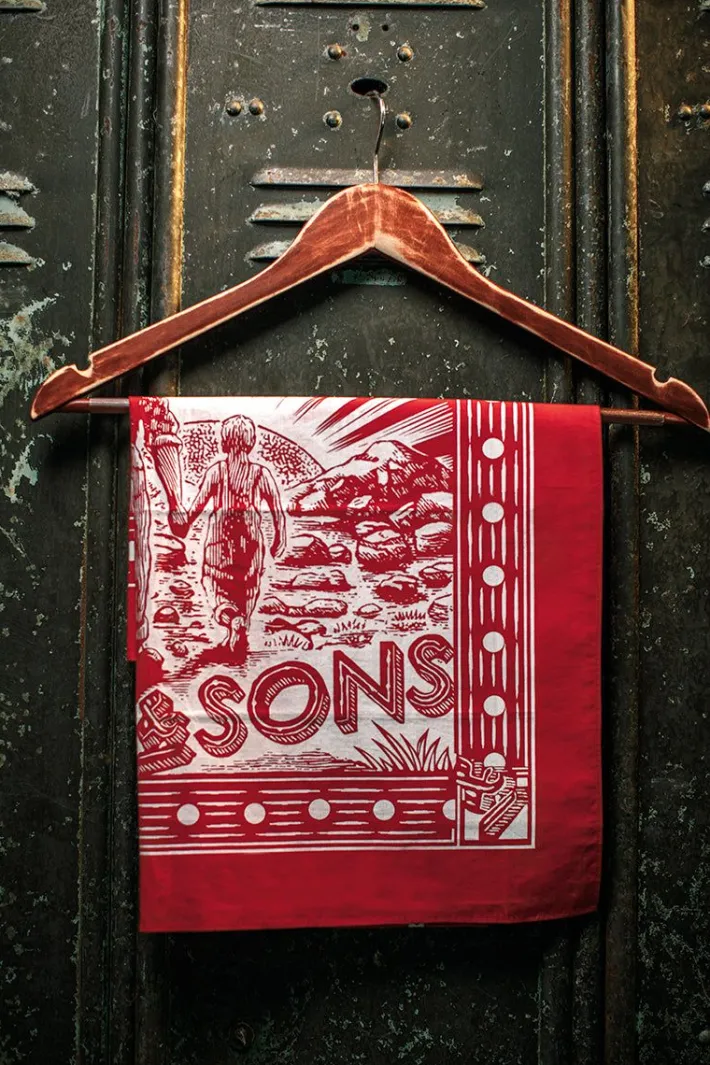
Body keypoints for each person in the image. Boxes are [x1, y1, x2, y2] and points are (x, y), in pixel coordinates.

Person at [170, 415, 286, 658]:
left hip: (219, 543)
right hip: (250, 543)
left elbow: (197, 506)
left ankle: (231, 620)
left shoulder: (217, 471)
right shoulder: (260, 474)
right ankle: (239, 629)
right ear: (251, 442)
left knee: (213, 585)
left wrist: (183, 522)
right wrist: (280, 537)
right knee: (248, 590)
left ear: (224, 441)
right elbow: (277, 508)